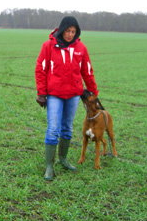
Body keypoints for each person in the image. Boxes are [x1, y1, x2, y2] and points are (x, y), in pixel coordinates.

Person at [35, 16, 98, 181]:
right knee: (53, 129)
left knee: (67, 128)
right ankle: (49, 166)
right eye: (68, 31)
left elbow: (87, 71)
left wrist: (93, 92)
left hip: (73, 95)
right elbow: (41, 69)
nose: (70, 34)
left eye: (73, 31)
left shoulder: (81, 48)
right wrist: (41, 93)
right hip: (54, 94)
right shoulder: (48, 46)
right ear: (62, 29)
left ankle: (63, 159)